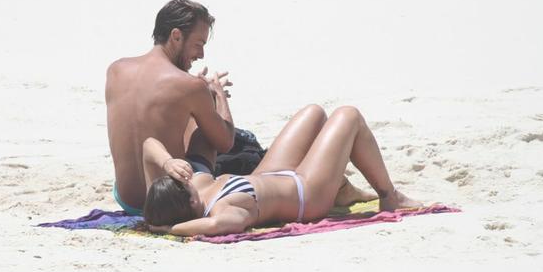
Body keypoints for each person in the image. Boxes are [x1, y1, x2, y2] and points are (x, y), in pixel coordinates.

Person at [142, 104, 422, 236]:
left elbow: (148, 147)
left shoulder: (198, 184)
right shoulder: (222, 209)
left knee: (313, 113)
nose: (185, 178)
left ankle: (343, 190)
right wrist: (169, 229)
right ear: (189, 202)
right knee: (348, 116)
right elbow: (220, 226)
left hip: (271, 173)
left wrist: (167, 162)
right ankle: (389, 195)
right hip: (305, 193)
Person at [105, 0, 235, 215]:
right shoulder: (189, 86)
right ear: (176, 36)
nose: (201, 54)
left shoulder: (115, 70)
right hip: (167, 201)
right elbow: (226, 142)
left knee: (188, 113)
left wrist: (199, 94)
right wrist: (218, 96)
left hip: (126, 199)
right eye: (199, 44)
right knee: (205, 133)